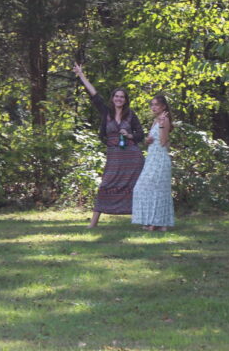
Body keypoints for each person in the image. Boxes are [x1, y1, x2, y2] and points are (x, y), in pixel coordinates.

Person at [73, 63, 144, 227]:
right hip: (113, 155)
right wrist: (81, 75)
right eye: (116, 96)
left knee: (137, 187)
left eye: (122, 97)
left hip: (132, 156)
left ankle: (143, 221)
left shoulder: (131, 115)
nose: (119, 99)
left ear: (126, 100)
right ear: (113, 99)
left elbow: (140, 135)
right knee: (106, 185)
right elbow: (95, 95)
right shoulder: (106, 113)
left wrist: (130, 134)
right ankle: (93, 224)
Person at [131, 94, 175, 231]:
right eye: (152, 105)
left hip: (160, 159)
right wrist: (147, 140)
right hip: (151, 158)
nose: (153, 107)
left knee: (157, 190)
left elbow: (163, 142)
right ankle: (153, 221)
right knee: (143, 188)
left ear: (163, 106)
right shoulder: (156, 120)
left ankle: (158, 223)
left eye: (156, 105)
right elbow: (152, 141)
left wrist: (162, 125)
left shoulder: (164, 120)